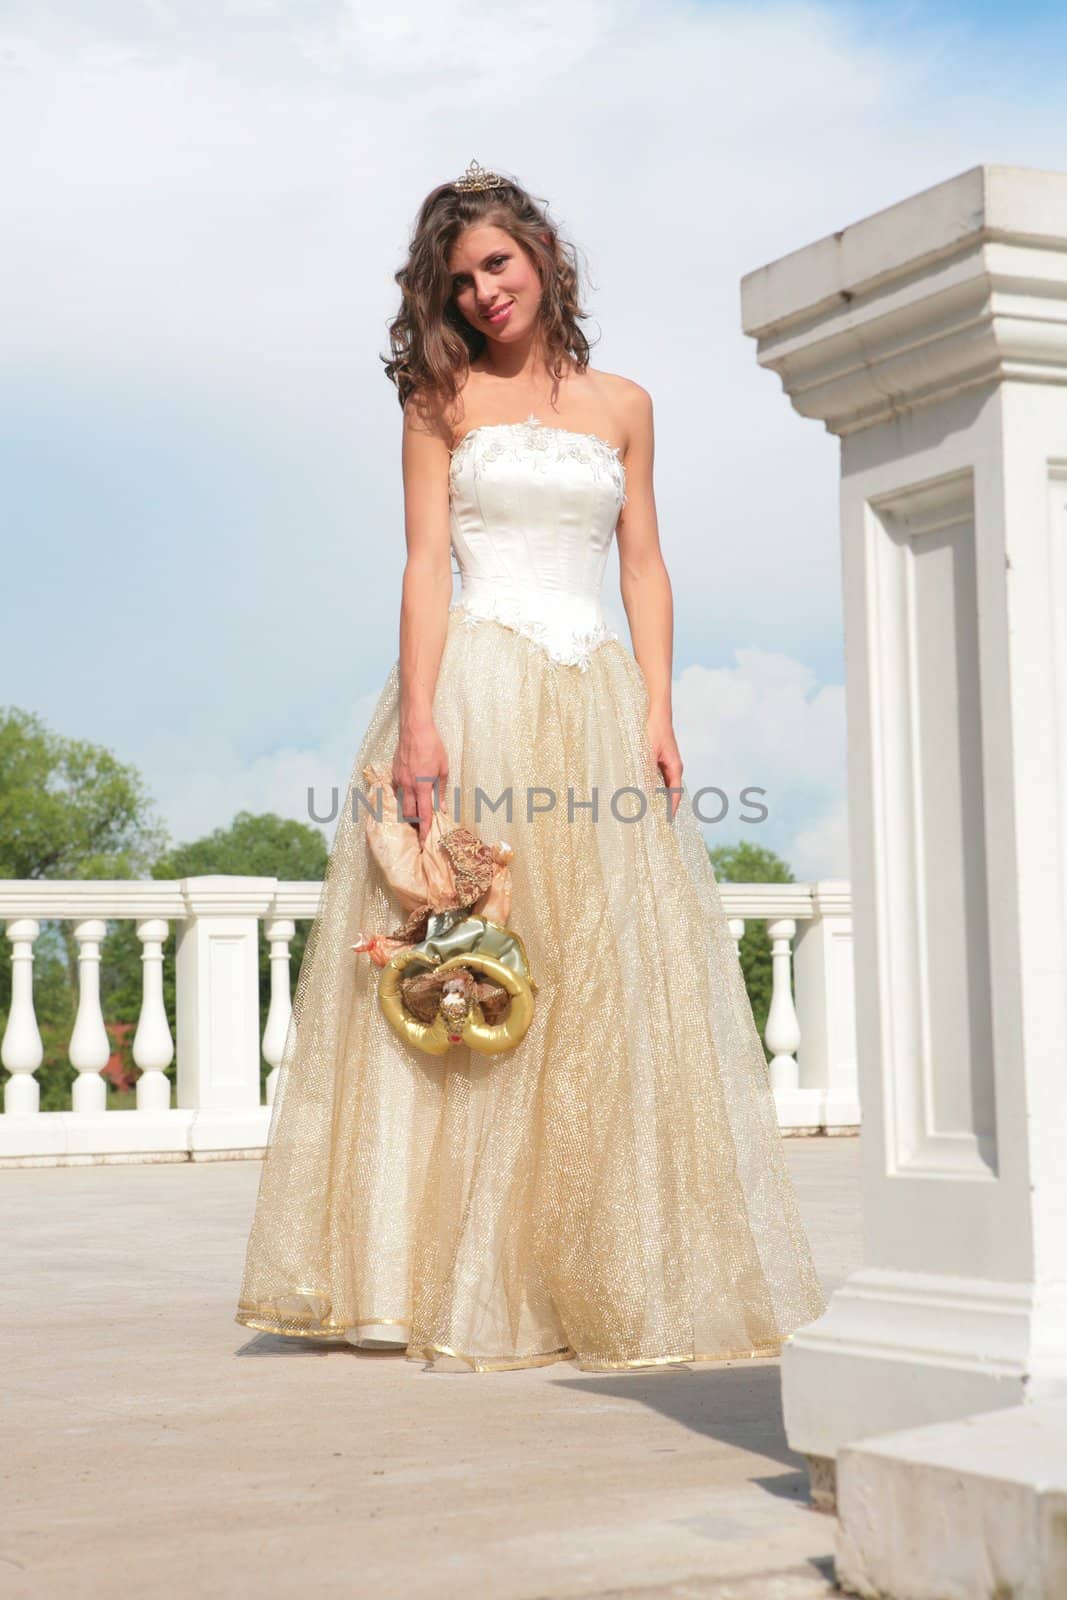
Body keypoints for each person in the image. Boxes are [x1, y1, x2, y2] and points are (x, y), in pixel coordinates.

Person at [235, 160, 827, 1372]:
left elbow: (644, 563)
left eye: (496, 264)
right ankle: (420, 1281)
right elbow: (421, 565)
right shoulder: (437, 400)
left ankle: (585, 1274)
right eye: (458, 281)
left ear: (543, 256)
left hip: (594, 696)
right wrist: (418, 725)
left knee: (600, 985)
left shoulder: (624, 405)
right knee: (463, 972)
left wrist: (659, 706)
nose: (482, 293)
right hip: (477, 690)